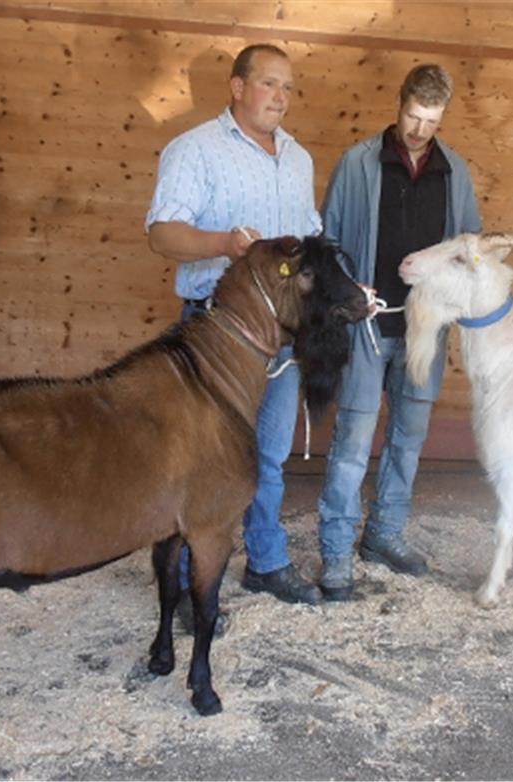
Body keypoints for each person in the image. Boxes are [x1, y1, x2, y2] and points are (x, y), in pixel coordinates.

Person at [145, 44, 325, 629]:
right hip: (215, 333)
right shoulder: (195, 150)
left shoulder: (297, 159)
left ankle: (266, 562)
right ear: (237, 87)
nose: (281, 97)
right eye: (270, 84)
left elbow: (309, 241)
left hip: (280, 338)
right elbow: (163, 234)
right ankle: (182, 582)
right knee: (201, 460)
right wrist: (225, 244)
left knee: (266, 455)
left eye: (289, 88)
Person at [316, 64, 482, 601]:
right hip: (367, 327)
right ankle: (337, 555)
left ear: (442, 117)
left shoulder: (455, 172)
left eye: (431, 121)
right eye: (413, 116)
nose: (419, 129)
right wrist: (348, 295)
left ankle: (384, 535)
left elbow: (469, 249)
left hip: (422, 332)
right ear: (400, 103)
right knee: (352, 445)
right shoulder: (359, 164)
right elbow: (330, 244)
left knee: (408, 441)